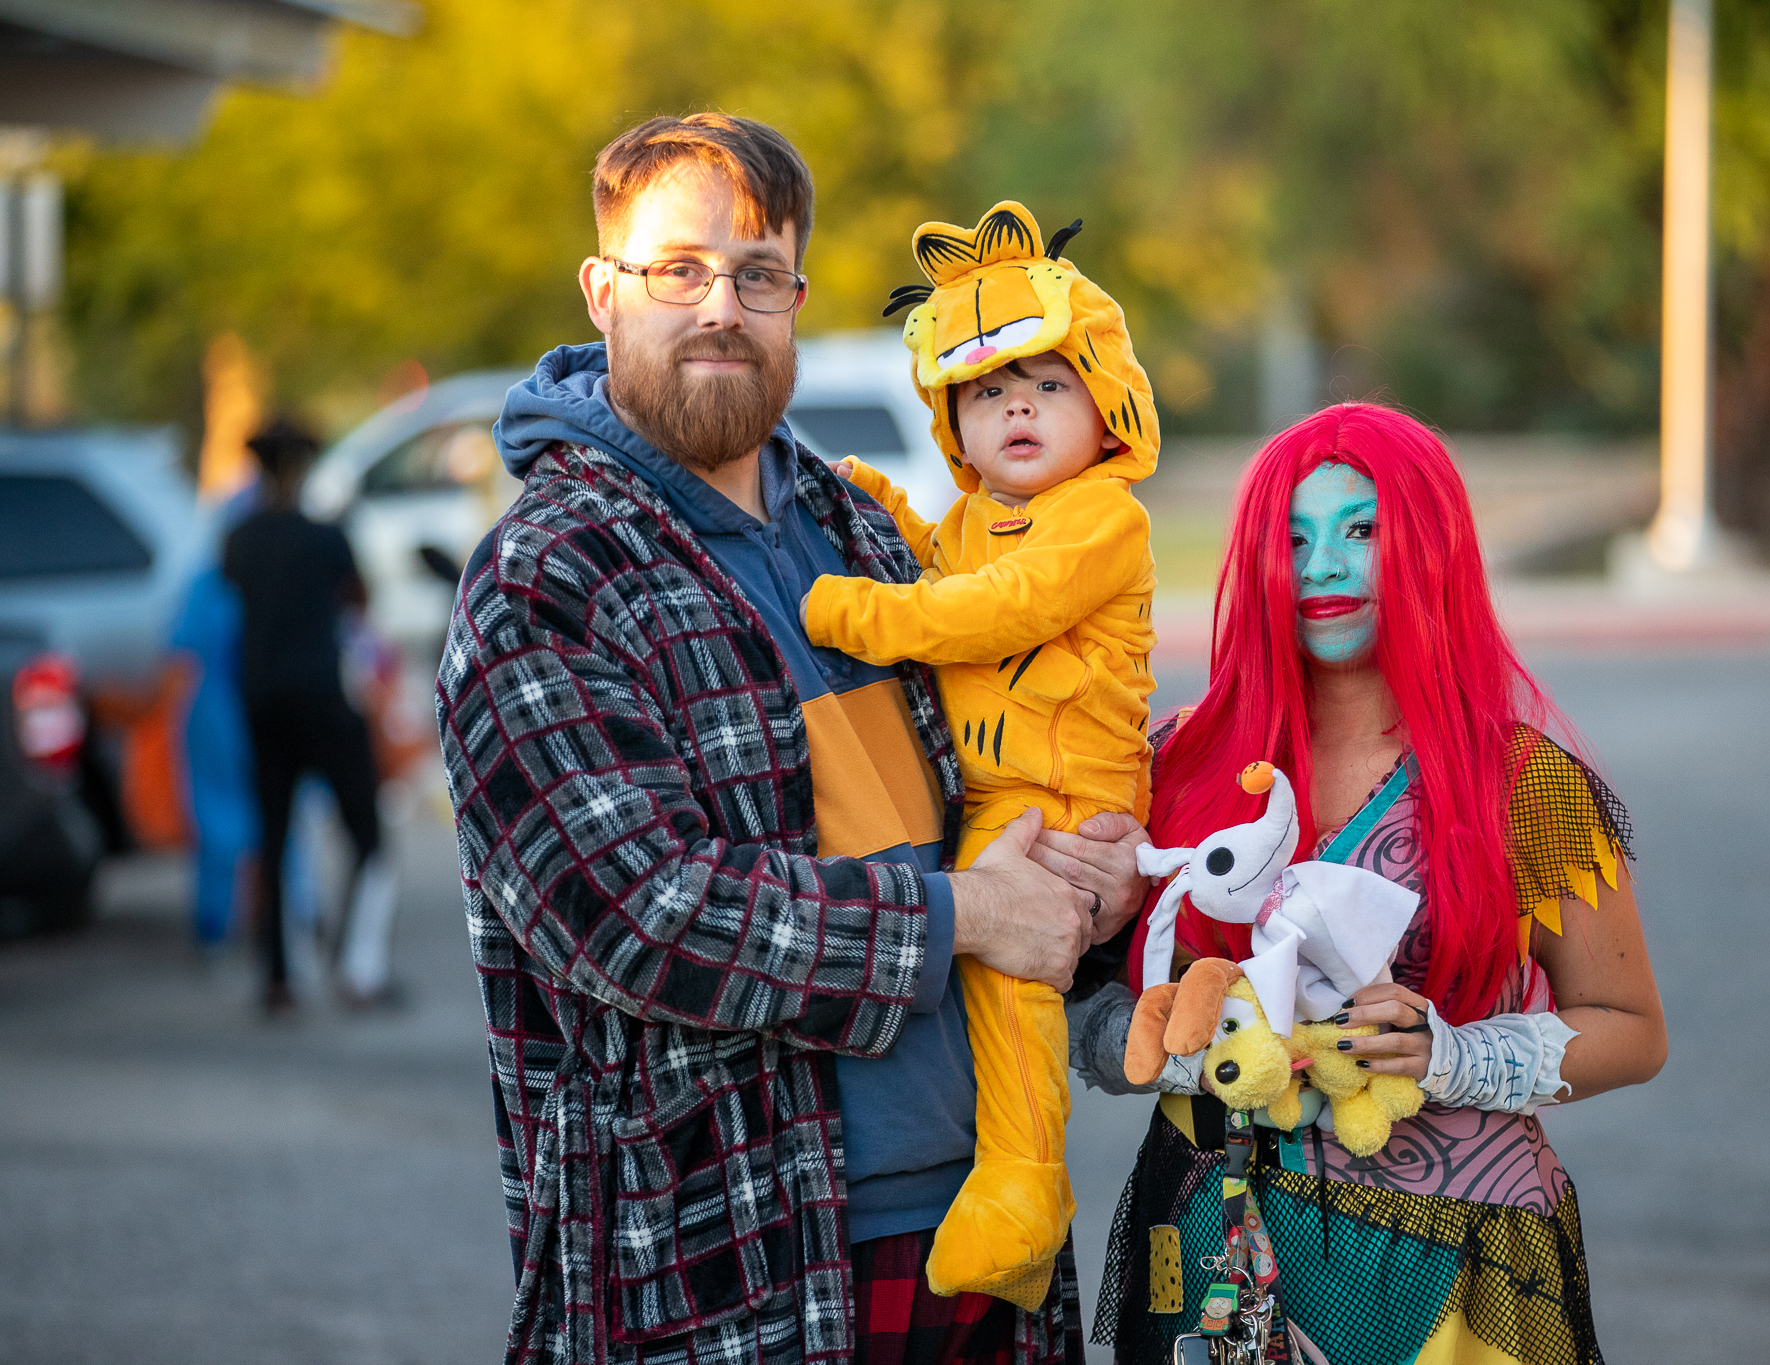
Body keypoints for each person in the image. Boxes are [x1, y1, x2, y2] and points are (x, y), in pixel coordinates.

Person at [436, 113, 1110, 1365]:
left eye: (757, 274)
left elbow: (989, 791)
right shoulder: (545, 578)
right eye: (677, 269)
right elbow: (637, 915)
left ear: (795, 295)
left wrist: (1088, 881)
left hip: (981, 1225)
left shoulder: (863, 531)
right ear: (603, 292)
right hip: (727, 1264)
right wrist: (966, 915)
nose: (719, 308)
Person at [1072, 404, 1668, 1363]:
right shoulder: (1170, 761)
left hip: (1448, 1264)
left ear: (1430, 549)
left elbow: (1634, 1031)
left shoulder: (1527, 785)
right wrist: (1181, 1049)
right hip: (1208, 1240)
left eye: (1362, 531)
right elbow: (1077, 995)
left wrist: (1449, 1054)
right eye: (1293, 536)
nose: (1323, 565)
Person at [802, 200, 1159, 1309]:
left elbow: (991, 614)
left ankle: (1025, 1187)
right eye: (986, 390)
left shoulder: (1103, 519)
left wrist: (853, 610)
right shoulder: (978, 516)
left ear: (1105, 408)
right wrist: (888, 514)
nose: (1015, 406)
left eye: (1047, 385)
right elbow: (946, 572)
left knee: (1016, 991)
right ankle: (993, 1169)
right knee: (970, 976)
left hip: (1062, 798)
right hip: (990, 793)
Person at [221, 420, 397, 1012]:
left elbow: (231, 595)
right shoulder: (327, 536)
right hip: (324, 697)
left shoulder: (237, 538)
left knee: (274, 834)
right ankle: (359, 969)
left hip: (261, 698)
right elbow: (359, 599)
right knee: (368, 833)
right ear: (302, 470)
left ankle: (278, 976)